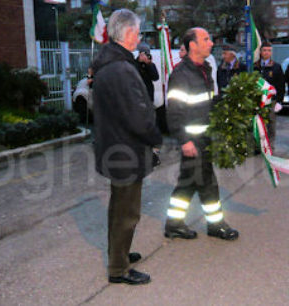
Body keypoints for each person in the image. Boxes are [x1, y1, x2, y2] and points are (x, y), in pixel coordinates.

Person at [91, 9, 162, 285]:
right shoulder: (121, 68)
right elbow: (138, 116)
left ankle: (118, 254)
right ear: (129, 33)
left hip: (115, 147)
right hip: (126, 151)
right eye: (138, 32)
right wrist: (155, 136)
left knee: (118, 209)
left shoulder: (109, 64)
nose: (140, 37)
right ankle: (118, 268)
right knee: (127, 213)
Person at [164, 27, 239, 241]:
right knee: (207, 184)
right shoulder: (181, 74)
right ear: (192, 45)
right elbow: (174, 112)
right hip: (193, 141)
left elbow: (208, 102)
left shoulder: (205, 69)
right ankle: (216, 225)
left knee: (187, 184)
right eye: (205, 39)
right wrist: (184, 141)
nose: (211, 43)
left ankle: (173, 224)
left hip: (205, 138)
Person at [254, 41, 285, 152]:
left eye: (269, 50)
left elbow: (281, 85)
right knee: (258, 123)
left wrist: (279, 101)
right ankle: (259, 147)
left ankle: (270, 147)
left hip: (271, 101)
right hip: (257, 100)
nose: (267, 53)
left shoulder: (276, 67)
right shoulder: (255, 66)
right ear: (261, 52)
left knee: (271, 124)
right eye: (264, 50)